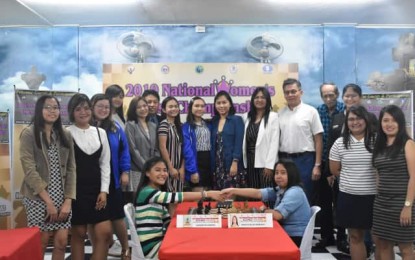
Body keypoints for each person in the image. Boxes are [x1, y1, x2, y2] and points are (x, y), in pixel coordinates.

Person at [19, 95, 76, 259]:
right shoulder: (29, 133)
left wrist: (68, 200)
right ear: (39, 110)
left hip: (62, 197)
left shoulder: (65, 134)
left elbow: (72, 169)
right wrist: (48, 202)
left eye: (55, 107)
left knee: (62, 242)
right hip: (39, 197)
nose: (52, 111)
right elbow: (29, 170)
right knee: (42, 241)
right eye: (47, 107)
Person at [135, 157, 223, 258]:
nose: (163, 174)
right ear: (147, 173)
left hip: (159, 242)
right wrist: (207, 194)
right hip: (152, 248)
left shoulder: (157, 194)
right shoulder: (147, 192)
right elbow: (179, 196)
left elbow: (168, 223)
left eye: (165, 170)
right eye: (157, 170)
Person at [327, 83, 377, 254]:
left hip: (374, 197)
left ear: (366, 120)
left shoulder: (377, 141)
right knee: (355, 237)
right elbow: (335, 169)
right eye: (351, 120)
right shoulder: (340, 143)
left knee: (378, 238)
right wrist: (352, 178)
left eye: (358, 119)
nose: (355, 122)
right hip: (349, 196)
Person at [221, 159, 311, 247]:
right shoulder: (281, 189)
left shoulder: (294, 192)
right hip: (285, 231)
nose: (279, 176)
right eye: (276, 173)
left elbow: (277, 215)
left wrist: (263, 210)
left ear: (292, 175)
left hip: (294, 237)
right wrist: (233, 191)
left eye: (283, 173)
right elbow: (258, 193)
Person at [66, 93, 112, 260]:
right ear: (72, 112)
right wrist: (67, 196)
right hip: (75, 191)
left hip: (97, 190)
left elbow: (105, 164)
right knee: (78, 234)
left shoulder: (101, 133)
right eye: (78, 109)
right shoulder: (66, 133)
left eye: (86, 108)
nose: (83, 112)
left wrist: (104, 191)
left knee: (105, 233)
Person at [90, 94, 131, 259]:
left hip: (113, 179)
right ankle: (99, 251)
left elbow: (124, 151)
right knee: (93, 219)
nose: (103, 110)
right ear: (92, 106)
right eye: (100, 106)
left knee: (117, 216)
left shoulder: (115, 128)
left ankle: (125, 248)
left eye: (107, 107)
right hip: (91, 182)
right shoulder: (85, 126)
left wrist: (125, 171)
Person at [372, 105, 415, 260]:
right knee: (383, 245)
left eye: (394, 120)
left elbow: (414, 177)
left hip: (402, 203)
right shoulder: (379, 145)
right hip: (382, 204)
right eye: (385, 120)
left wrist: (407, 206)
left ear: (401, 123)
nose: (389, 124)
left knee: (405, 248)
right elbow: (378, 173)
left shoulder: (408, 143)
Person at [278, 78, 323, 202]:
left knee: (305, 194)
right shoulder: (279, 114)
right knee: (285, 194)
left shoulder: (311, 111)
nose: (290, 95)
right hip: (285, 160)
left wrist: (317, 165)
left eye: (293, 91)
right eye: (287, 92)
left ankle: (306, 221)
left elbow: (318, 139)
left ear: (301, 92)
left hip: (305, 160)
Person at [315, 82, 345, 248]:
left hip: (341, 165)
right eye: (325, 95)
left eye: (331, 95)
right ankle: (327, 236)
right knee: (324, 202)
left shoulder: (345, 111)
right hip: (323, 162)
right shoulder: (318, 111)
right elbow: (317, 139)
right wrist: (319, 165)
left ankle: (341, 236)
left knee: (340, 201)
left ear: (337, 94)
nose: (328, 98)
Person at [242, 87, 279, 189]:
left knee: (266, 192)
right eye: (256, 97)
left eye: (262, 97)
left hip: (265, 163)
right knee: (252, 191)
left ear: (267, 100)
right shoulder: (246, 117)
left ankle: (268, 206)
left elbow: (274, 142)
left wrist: (269, 165)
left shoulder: (273, 117)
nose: (259, 100)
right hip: (249, 161)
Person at [211, 91, 246, 190]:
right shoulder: (214, 121)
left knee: (231, 197)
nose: (221, 105)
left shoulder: (237, 120)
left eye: (224, 102)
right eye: (218, 103)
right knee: (219, 197)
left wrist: (235, 162)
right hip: (217, 167)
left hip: (231, 164)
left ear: (230, 104)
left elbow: (239, 143)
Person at [125, 96, 159, 192]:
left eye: (144, 106)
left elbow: (156, 148)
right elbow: (132, 149)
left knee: (151, 198)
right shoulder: (130, 125)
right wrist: (146, 167)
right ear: (133, 110)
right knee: (138, 200)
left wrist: (154, 166)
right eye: (139, 107)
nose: (143, 109)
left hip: (152, 170)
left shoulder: (153, 126)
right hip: (137, 169)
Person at [182, 96, 212, 191]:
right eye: (196, 106)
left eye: (202, 106)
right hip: (196, 161)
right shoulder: (186, 127)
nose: (200, 108)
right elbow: (187, 150)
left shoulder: (208, 124)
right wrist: (192, 171)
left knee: (208, 193)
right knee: (198, 194)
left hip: (209, 161)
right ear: (191, 108)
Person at [158, 96, 184, 192]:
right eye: (170, 106)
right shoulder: (164, 125)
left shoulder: (180, 126)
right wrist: (170, 167)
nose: (174, 109)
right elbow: (162, 147)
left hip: (179, 169)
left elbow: (183, 148)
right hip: (168, 169)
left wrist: (182, 168)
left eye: (176, 106)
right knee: (170, 197)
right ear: (164, 110)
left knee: (178, 198)